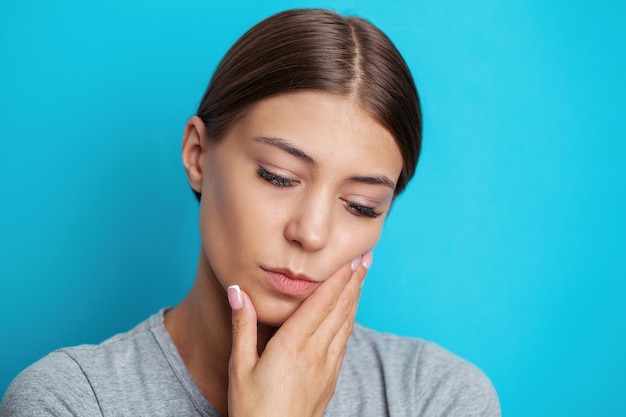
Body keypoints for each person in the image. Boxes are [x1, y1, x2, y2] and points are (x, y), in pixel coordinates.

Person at [0, 8, 500, 417]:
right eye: (278, 177)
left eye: (360, 206)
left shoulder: (436, 397)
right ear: (198, 155)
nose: (311, 232)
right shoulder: (71, 399)